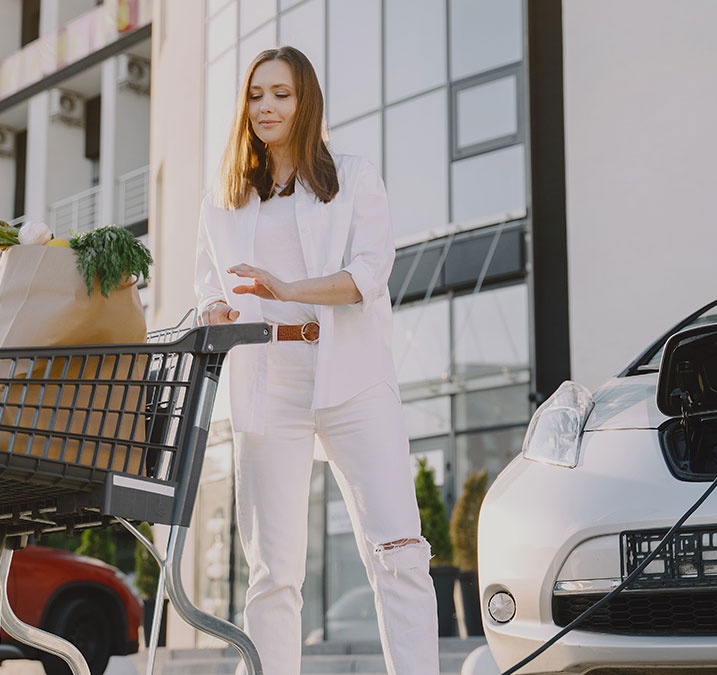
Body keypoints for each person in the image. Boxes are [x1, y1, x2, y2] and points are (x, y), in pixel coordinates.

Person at [193, 46, 440, 675]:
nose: (266, 107)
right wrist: (215, 313)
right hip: (265, 381)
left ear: (306, 102)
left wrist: (288, 290)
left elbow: (369, 275)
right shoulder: (223, 200)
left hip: (351, 375)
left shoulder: (352, 176)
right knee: (272, 571)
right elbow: (210, 293)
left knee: (399, 550)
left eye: (281, 94)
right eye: (255, 95)